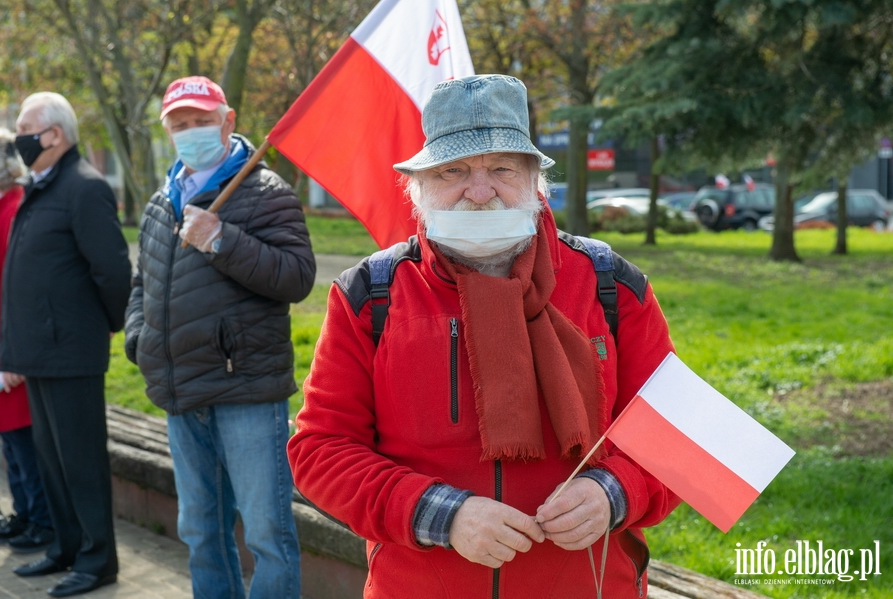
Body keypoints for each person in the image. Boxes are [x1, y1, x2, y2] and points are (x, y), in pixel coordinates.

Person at [287, 75, 681, 599]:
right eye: (454, 170)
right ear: (419, 185)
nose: (479, 190)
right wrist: (440, 514)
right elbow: (321, 450)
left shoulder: (612, 285)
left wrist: (615, 492)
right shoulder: (370, 295)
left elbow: (680, 436)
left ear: (535, 181)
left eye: (501, 168)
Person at [123, 76, 315, 599]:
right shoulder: (161, 202)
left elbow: (297, 278)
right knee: (201, 534)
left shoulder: (266, 191)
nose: (191, 132)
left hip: (245, 392)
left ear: (228, 121)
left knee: (268, 536)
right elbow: (143, 282)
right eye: (179, 125)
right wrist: (139, 339)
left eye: (201, 122)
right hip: (181, 392)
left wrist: (223, 240)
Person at [0, 93, 131, 597]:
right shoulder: (42, 185)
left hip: (71, 351)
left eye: (26, 127)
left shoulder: (83, 187)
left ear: (54, 134)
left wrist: (104, 326)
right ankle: (68, 548)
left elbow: (113, 270)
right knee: (53, 459)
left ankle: (98, 562)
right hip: (39, 353)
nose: (19, 137)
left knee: (80, 461)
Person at [0, 128, 54, 555]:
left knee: (22, 442)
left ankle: (40, 520)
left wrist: (9, 354)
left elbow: (21, 291)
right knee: (10, 443)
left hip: (9, 352)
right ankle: (25, 515)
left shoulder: (14, 209)